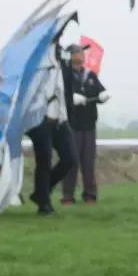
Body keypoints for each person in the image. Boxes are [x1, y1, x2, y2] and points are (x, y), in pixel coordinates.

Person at [25, 50, 77, 216]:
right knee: (44, 160)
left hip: (59, 119)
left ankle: (41, 192)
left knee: (70, 159)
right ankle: (44, 204)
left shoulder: (62, 62)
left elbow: (65, 90)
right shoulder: (34, 62)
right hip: (39, 119)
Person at [60, 43, 109, 204]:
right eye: (78, 53)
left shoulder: (90, 75)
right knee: (72, 161)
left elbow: (99, 91)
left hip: (89, 124)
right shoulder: (64, 76)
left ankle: (90, 194)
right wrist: (71, 100)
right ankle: (68, 196)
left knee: (88, 162)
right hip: (72, 125)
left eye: (82, 53)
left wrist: (102, 95)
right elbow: (60, 97)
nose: (81, 55)